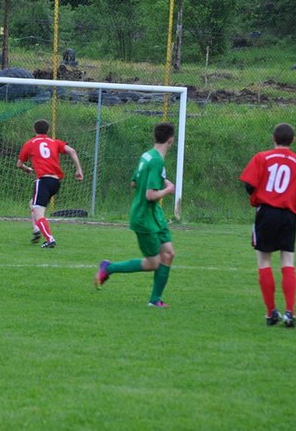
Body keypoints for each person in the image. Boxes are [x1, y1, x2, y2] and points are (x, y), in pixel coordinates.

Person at [239, 123, 296, 328]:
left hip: (266, 213)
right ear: (293, 140)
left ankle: (271, 312)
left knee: (264, 261)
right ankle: (290, 313)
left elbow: (249, 185)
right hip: (289, 215)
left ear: (273, 138)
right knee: (288, 261)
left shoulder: (261, 157)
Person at [94, 122, 176, 308]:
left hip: (155, 215)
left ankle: (155, 300)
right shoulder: (157, 161)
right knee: (153, 263)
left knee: (169, 254)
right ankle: (109, 268)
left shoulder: (147, 155)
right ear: (171, 140)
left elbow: (134, 183)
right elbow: (150, 195)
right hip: (144, 217)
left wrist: (161, 181)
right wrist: (168, 189)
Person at [16, 119, 84, 248]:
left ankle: (49, 239)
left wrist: (27, 169)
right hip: (55, 182)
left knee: (39, 213)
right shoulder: (54, 142)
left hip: (43, 181)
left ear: (34, 129)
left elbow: (19, 164)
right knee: (32, 203)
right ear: (47, 130)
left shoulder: (30, 143)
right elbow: (72, 151)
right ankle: (36, 228)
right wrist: (78, 170)